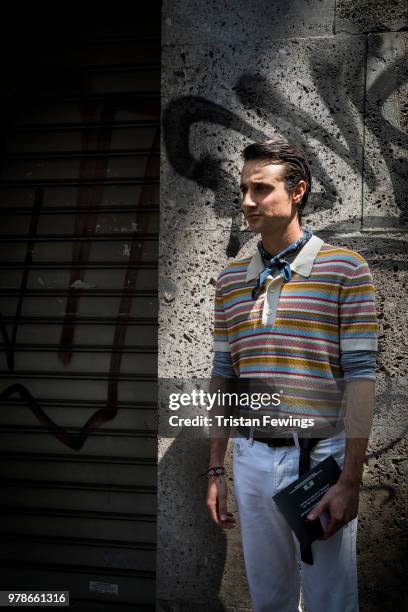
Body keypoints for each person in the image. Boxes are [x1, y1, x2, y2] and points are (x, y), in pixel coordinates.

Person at [205, 137, 377, 612]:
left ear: (297, 191)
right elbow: (224, 377)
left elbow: (362, 378)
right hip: (252, 458)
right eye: (243, 189)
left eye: (260, 189)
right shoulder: (230, 281)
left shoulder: (345, 269)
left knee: (331, 601)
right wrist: (217, 469)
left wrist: (350, 480)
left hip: (322, 459)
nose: (246, 201)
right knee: (269, 600)